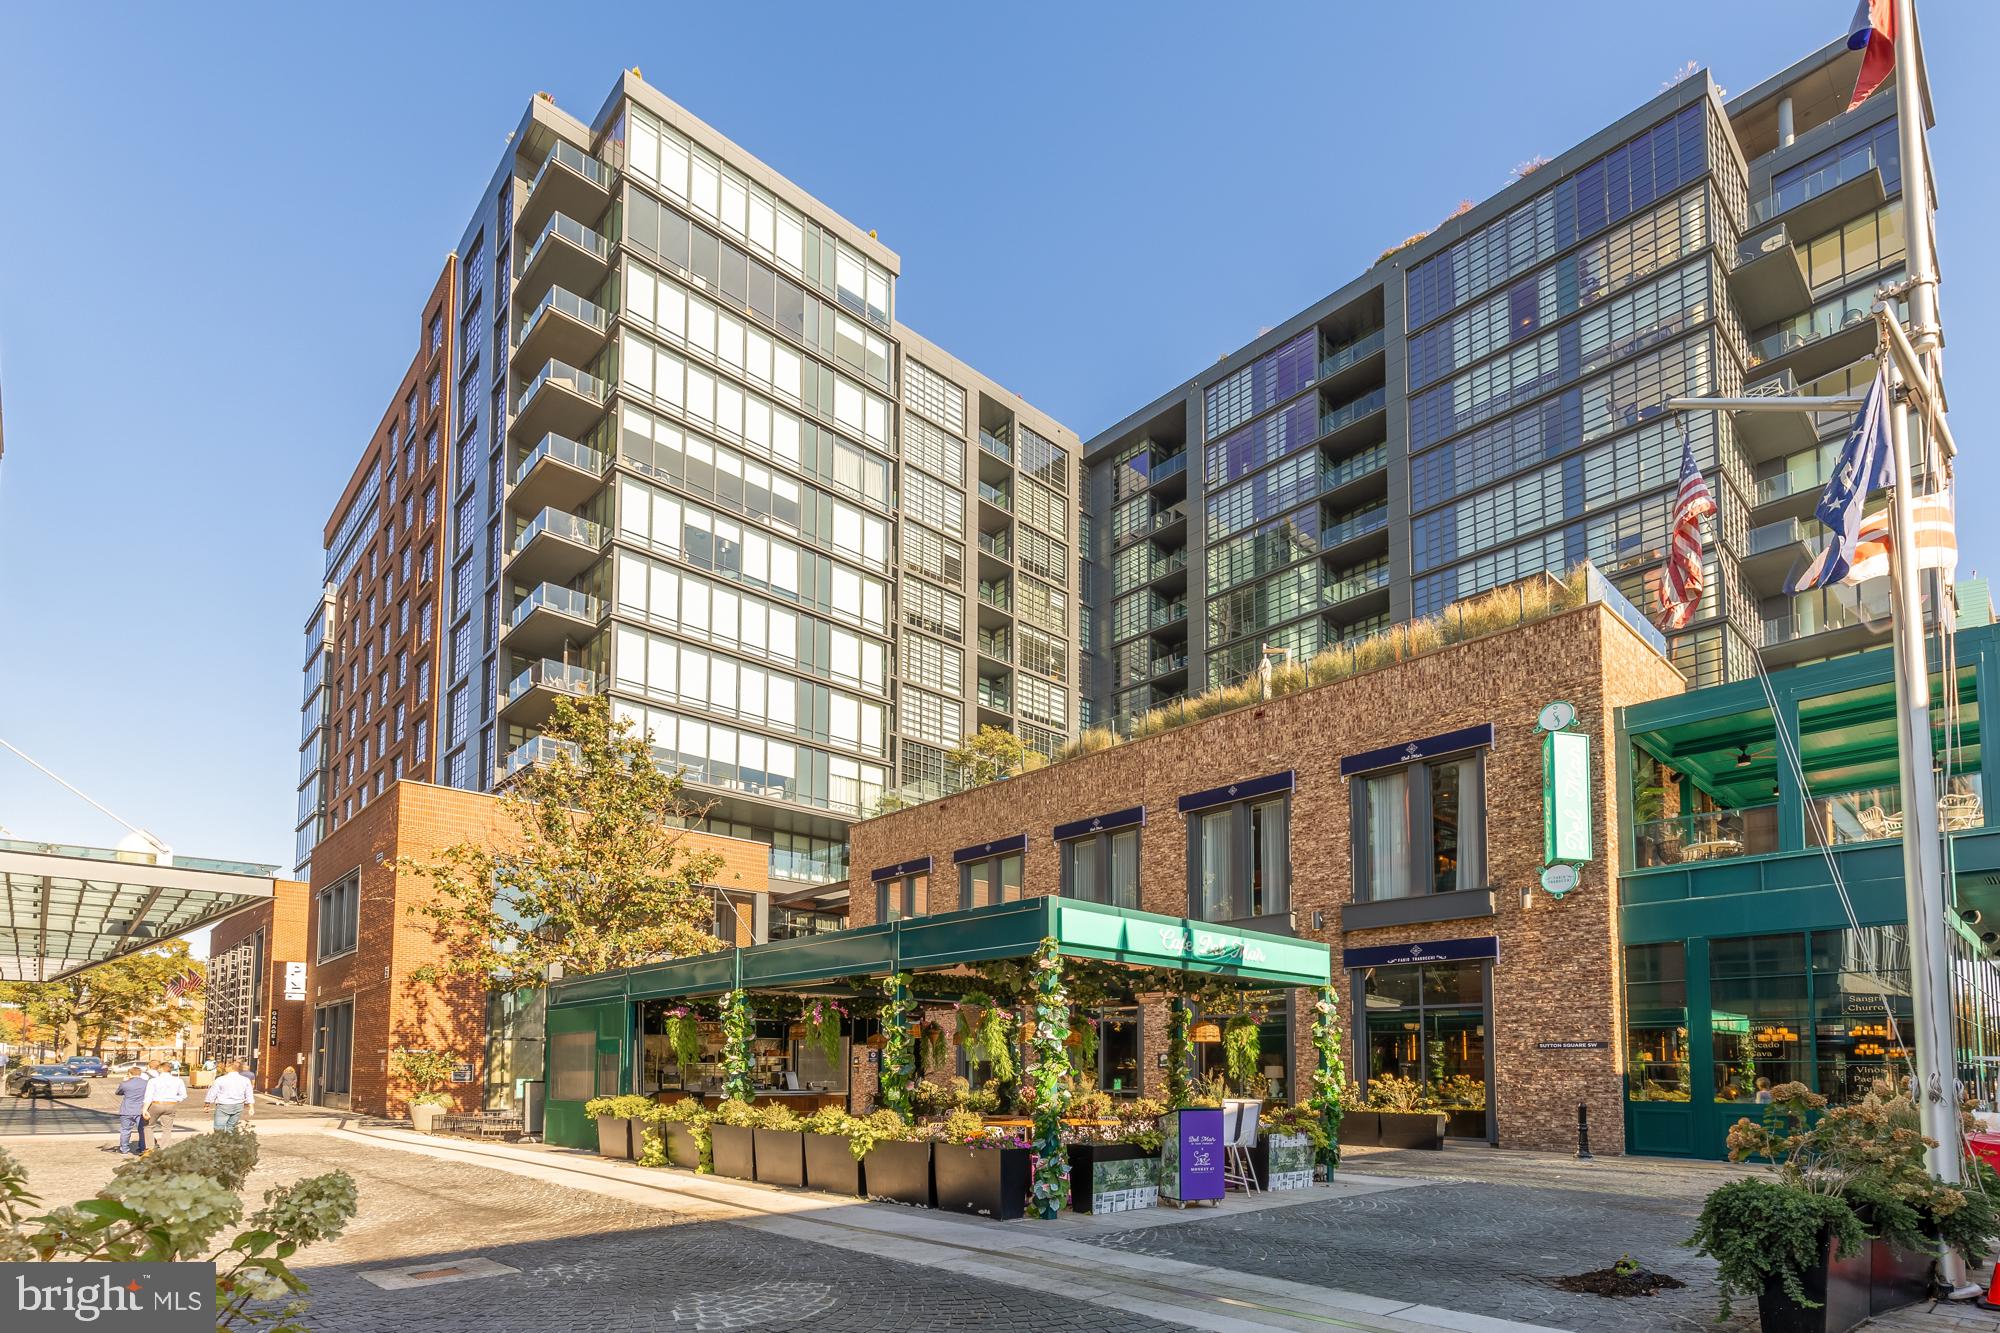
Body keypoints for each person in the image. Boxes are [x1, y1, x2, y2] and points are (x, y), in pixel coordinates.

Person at [144, 1060, 187, 1149]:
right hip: (171, 1105)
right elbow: (183, 1095)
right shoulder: (178, 1080)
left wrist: (144, 1109)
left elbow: (149, 1096)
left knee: (148, 1126)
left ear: (160, 1069)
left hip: (156, 1104)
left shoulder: (153, 1081)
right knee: (167, 1128)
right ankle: (165, 1148)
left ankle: (150, 1148)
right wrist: (175, 1099)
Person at [205, 1060, 255, 1131]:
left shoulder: (220, 1079)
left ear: (229, 1068)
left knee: (219, 1128)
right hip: (238, 1105)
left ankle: (219, 1140)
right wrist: (251, 1107)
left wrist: (207, 1104)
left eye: (226, 1066)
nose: (225, 1068)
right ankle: (230, 1140)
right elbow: (249, 1094)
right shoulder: (245, 1080)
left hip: (223, 1105)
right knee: (231, 1127)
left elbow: (212, 1092)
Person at [114, 1066, 150, 1155]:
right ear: (140, 1073)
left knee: (125, 1130)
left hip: (126, 1110)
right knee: (142, 1130)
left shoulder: (125, 1084)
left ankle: (124, 1148)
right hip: (141, 1110)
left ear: (129, 1074)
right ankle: (142, 1148)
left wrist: (124, 1081)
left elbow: (118, 1092)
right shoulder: (146, 1083)